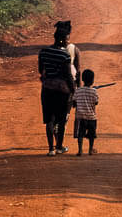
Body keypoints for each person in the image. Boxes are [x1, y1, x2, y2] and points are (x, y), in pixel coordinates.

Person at [37, 26, 75, 155]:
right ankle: (59, 146)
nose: (68, 42)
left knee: (49, 120)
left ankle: (50, 149)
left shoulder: (43, 52)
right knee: (61, 119)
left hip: (47, 89)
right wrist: (73, 91)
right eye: (67, 40)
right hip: (61, 91)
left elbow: (40, 70)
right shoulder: (65, 55)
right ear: (61, 40)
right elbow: (68, 76)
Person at [72, 69, 99, 155]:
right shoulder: (94, 91)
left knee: (80, 134)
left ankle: (80, 150)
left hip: (80, 116)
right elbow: (96, 102)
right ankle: (90, 150)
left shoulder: (78, 90)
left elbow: (74, 102)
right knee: (91, 135)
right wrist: (93, 90)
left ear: (83, 79)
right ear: (92, 80)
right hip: (91, 117)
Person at [54, 19, 82, 87]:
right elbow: (77, 70)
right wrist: (79, 86)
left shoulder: (47, 51)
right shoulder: (74, 49)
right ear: (68, 35)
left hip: (50, 84)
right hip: (68, 84)